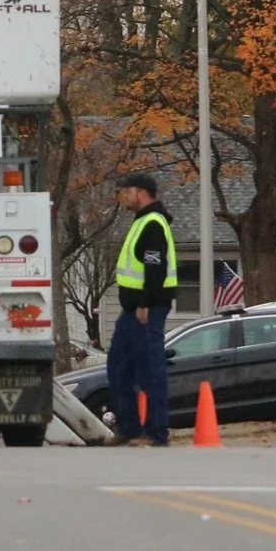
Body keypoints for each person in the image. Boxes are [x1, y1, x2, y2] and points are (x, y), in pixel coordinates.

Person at [109, 171, 177, 446]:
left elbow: (155, 268)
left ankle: (157, 431)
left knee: (150, 368)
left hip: (147, 309)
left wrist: (145, 303)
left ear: (141, 192)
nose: (123, 196)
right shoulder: (140, 222)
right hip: (131, 310)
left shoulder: (153, 224)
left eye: (126, 191)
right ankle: (128, 427)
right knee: (119, 366)